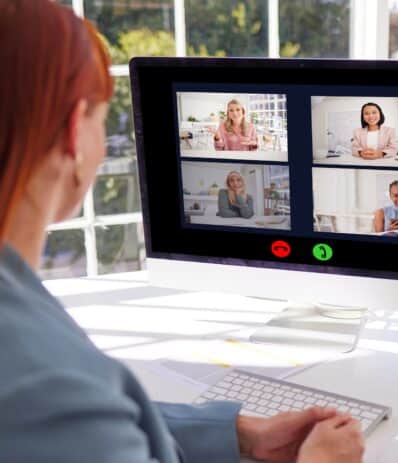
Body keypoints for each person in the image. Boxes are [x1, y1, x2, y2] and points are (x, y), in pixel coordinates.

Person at [0, 2, 365, 462]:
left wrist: (242, 433)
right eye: (101, 116)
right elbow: (66, 413)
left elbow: (88, 423)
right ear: (75, 130)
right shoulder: (40, 378)